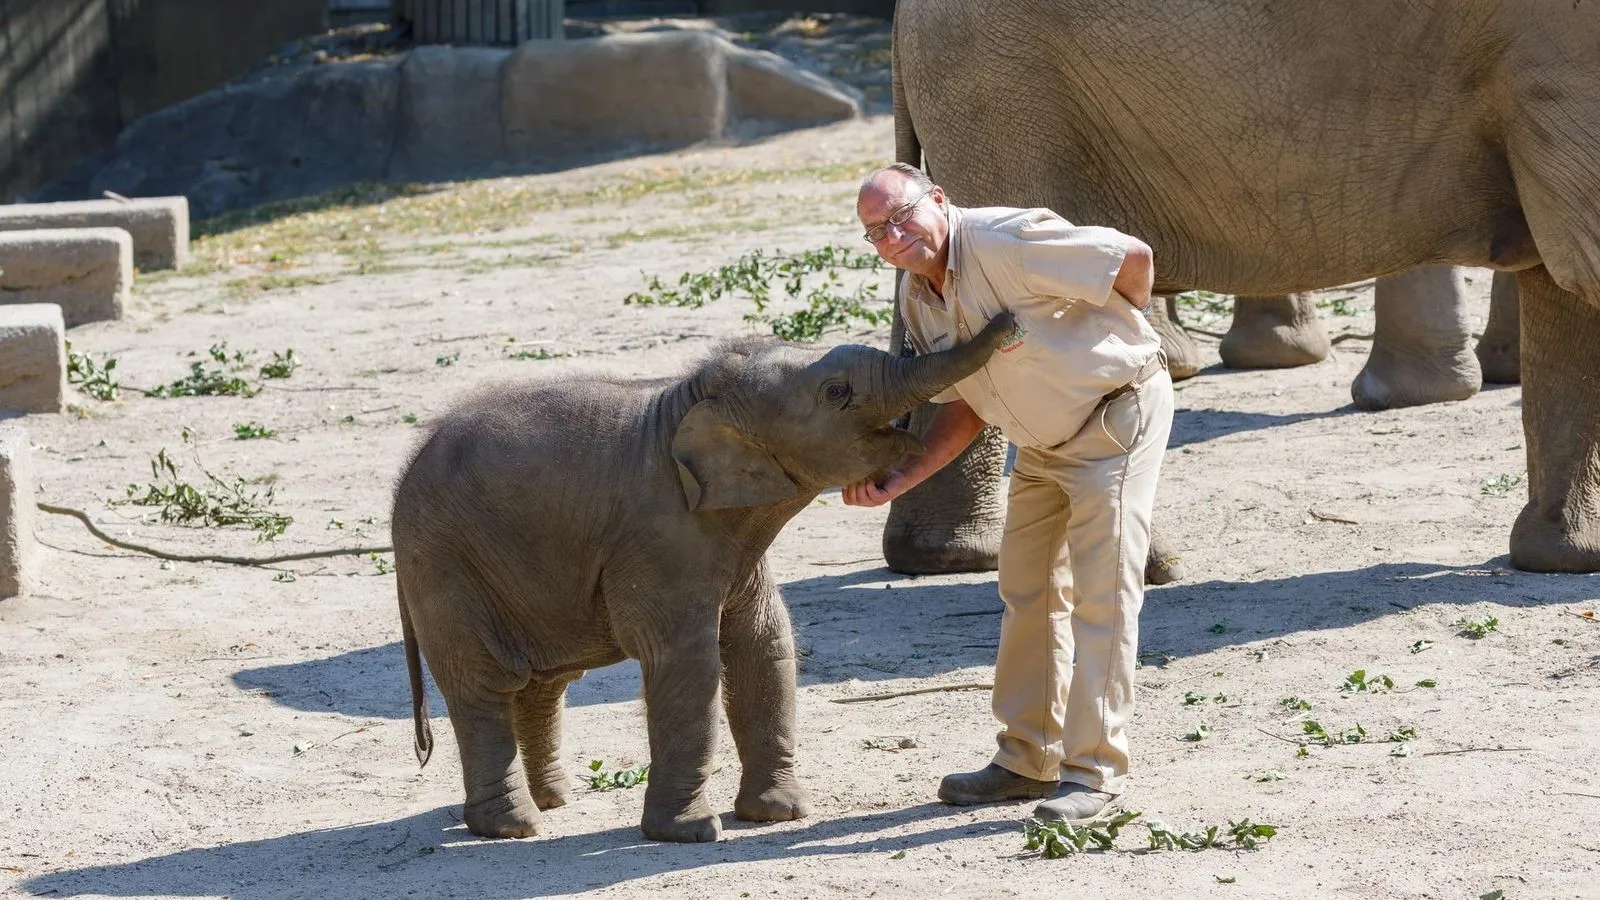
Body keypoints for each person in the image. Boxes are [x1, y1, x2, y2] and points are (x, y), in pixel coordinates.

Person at [844, 163, 1174, 823]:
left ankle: (1096, 778)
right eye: (877, 232)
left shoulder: (1006, 240)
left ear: (938, 199)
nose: (894, 237)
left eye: (902, 216)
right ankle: (1029, 759)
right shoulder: (919, 297)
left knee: (1104, 595)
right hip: (1042, 445)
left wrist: (1121, 330)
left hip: (1116, 413)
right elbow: (965, 402)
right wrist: (901, 478)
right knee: (1027, 592)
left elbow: (1131, 258)